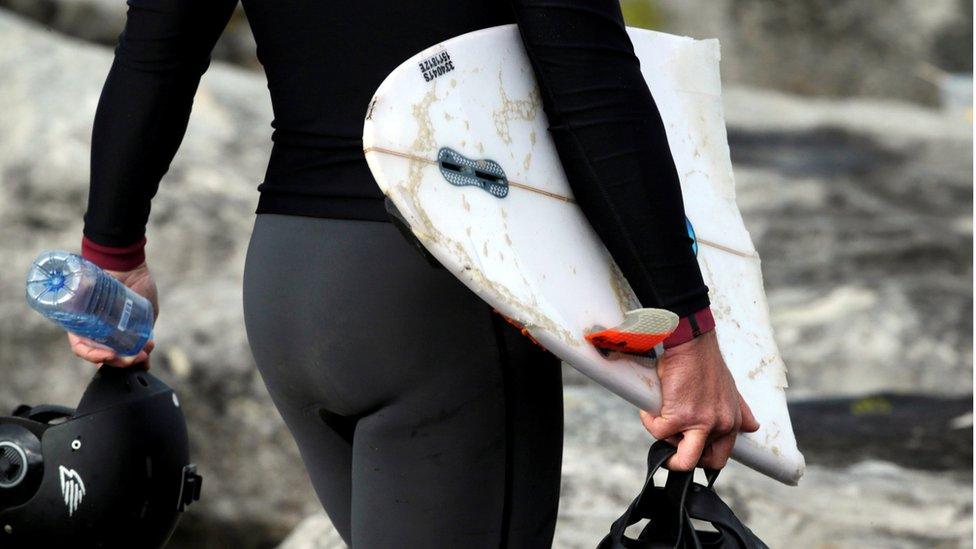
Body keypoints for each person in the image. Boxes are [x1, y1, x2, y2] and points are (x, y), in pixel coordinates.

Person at [69, 0, 758, 546]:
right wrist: (685, 326)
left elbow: (157, 53)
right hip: (438, 299)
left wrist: (113, 252)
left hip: (290, 280)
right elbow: (589, 82)